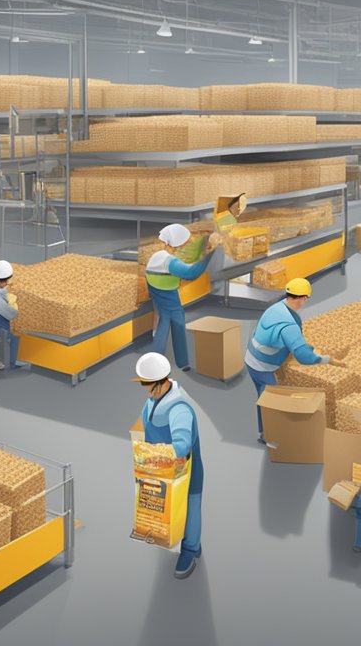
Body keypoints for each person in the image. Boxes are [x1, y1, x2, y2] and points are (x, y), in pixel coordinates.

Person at [244, 278, 339, 444]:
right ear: (302, 298)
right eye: (306, 298)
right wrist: (326, 359)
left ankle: (263, 432)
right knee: (272, 403)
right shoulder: (289, 325)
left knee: (262, 397)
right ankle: (272, 438)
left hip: (250, 359)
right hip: (263, 367)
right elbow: (304, 357)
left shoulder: (276, 308)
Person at [135, 352, 204, 579]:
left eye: (147, 385)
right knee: (170, 508)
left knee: (189, 508)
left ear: (161, 382)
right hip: (161, 469)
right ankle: (176, 538)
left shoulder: (179, 409)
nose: (145, 390)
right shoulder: (154, 399)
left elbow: (182, 445)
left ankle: (191, 550)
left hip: (184, 470)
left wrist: (153, 456)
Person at [146, 223, 219, 371]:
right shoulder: (169, 261)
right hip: (168, 294)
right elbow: (191, 273)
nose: (186, 244)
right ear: (178, 242)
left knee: (164, 321)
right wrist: (210, 253)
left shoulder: (157, 257)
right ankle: (178, 363)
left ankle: (159, 363)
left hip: (158, 292)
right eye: (184, 242)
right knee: (176, 323)